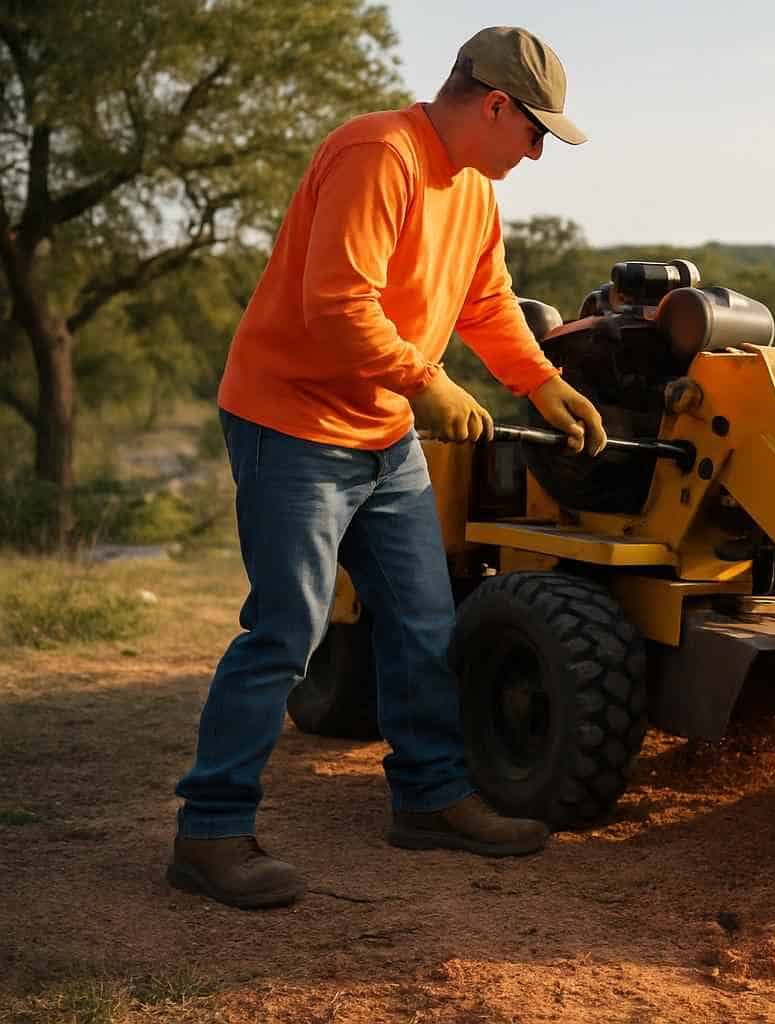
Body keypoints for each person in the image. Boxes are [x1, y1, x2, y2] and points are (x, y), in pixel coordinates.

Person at [167, 26, 606, 910]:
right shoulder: (379, 153)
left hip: (381, 433)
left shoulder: (474, 191)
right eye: (535, 134)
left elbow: (485, 302)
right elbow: (337, 305)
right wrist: (428, 384)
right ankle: (209, 832)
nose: (535, 155)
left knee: (424, 620)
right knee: (287, 629)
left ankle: (431, 799)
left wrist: (542, 382)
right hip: (291, 423)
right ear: (495, 106)